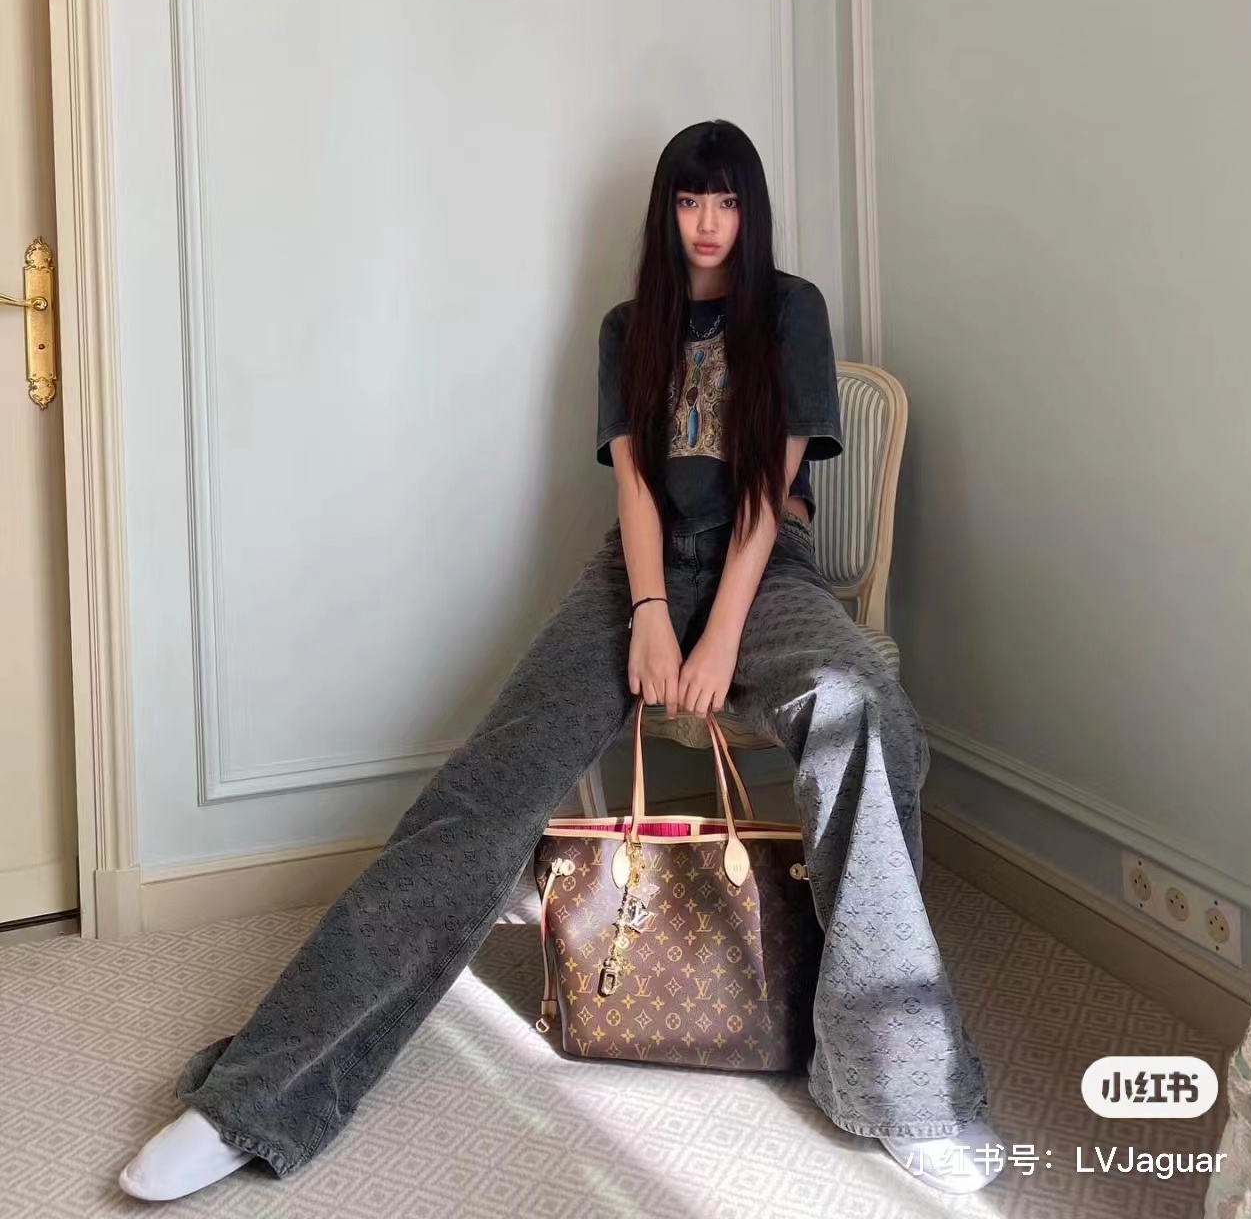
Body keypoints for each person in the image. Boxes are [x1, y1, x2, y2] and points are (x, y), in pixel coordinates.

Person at [119, 119, 1005, 1202]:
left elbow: (767, 495)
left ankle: (902, 1088)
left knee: (861, 711)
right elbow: (633, 487)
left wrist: (718, 632)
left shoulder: (792, 309)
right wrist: (649, 613)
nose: (708, 222)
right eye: (689, 201)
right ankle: (255, 1098)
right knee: (482, 793)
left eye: (726, 201)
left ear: (752, 211)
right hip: (634, 575)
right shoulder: (629, 327)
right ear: (665, 212)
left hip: (761, 572)